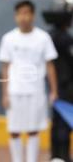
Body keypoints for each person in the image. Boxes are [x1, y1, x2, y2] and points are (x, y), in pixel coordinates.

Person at [0, 0, 58, 162]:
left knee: (33, 129)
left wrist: (54, 91)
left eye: (26, 13)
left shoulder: (43, 38)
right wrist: (5, 94)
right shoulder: (8, 38)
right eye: (20, 13)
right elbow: (5, 67)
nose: (23, 17)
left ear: (32, 15)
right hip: (14, 92)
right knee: (14, 130)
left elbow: (50, 65)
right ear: (16, 16)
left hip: (36, 91)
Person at [48, 10, 73, 162]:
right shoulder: (65, 38)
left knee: (56, 122)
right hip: (67, 86)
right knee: (65, 121)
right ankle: (64, 156)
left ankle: (55, 155)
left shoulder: (49, 36)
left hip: (54, 86)